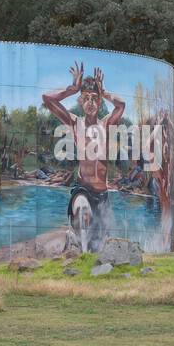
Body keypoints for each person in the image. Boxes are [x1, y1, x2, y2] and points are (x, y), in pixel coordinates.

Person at [43, 63, 127, 252]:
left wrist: (104, 91)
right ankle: (79, 256)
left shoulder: (106, 124)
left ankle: (87, 258)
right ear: (81, 102)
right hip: (83, 190)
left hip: (103, 195)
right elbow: (47, 99)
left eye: (95, 98)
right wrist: (72, 89)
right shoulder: (75, 123)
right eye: (86, 98)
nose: (90, 102)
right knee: (83, 213)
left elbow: (121, 105)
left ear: (99, 103)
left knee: (99, 245)